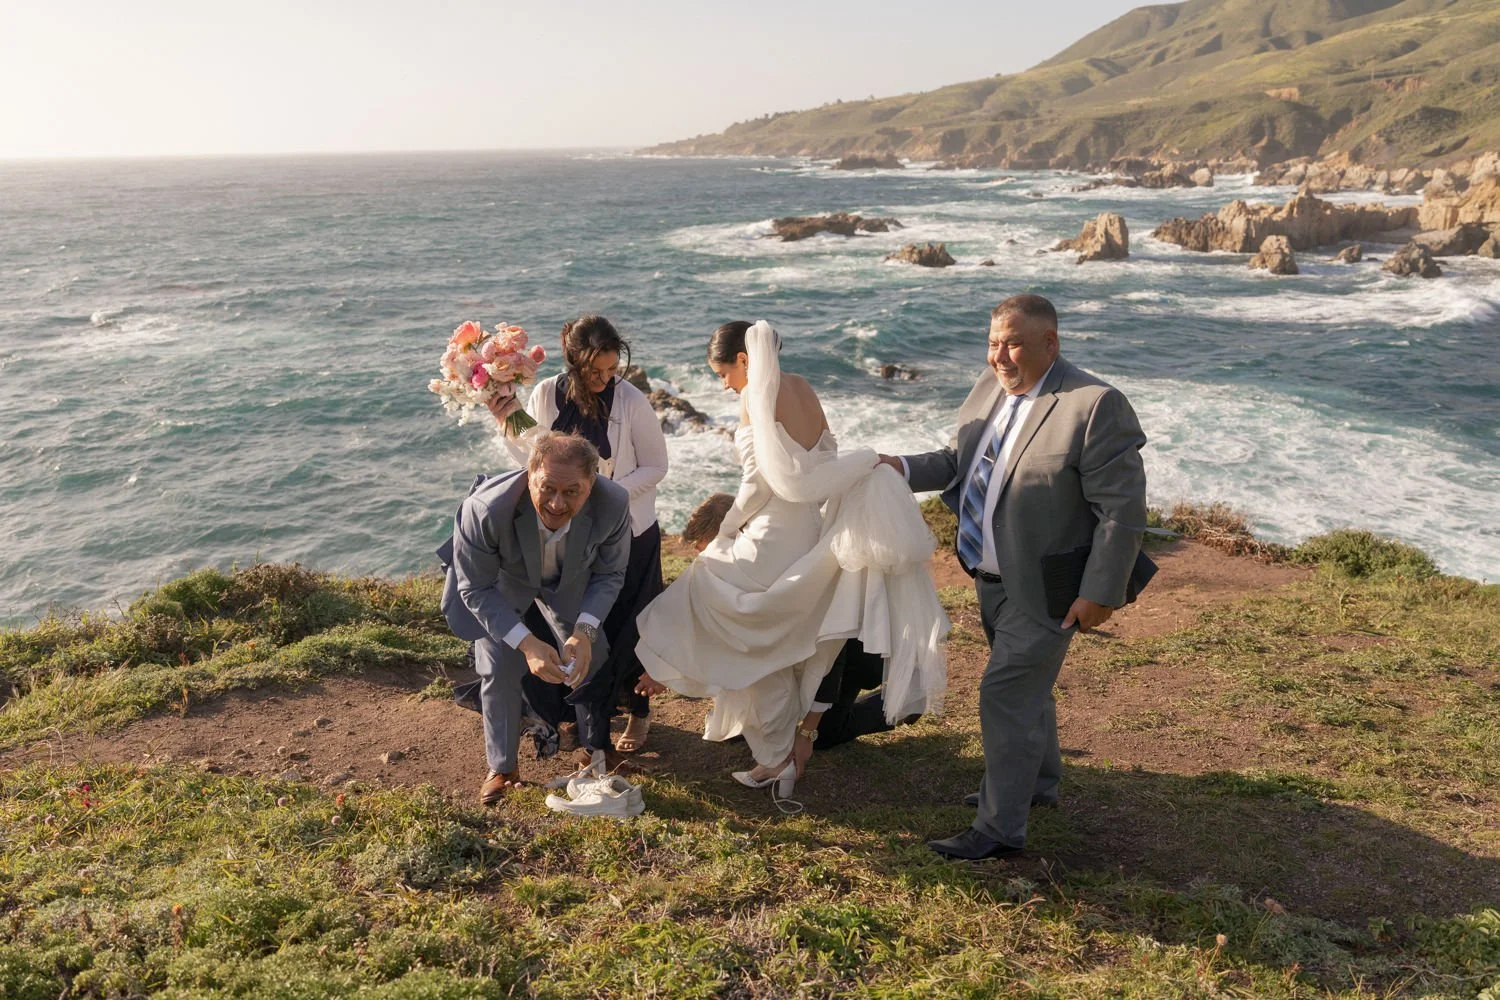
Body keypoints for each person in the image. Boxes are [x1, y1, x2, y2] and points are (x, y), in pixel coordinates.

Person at [635, 321, 949, 807]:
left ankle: (769, 748)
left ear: (744, 359)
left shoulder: (754, 396)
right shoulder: (804, 388)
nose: (725, 386)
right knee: (775, 640)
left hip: (770, 536)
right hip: (809, 534)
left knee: (726, 611)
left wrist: (727, 530)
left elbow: (756, 484)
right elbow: (825, 461)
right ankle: (774, 745)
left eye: (723, 374)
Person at [881, 293, 1148, 860]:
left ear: (1050, 343)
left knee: (1005, 694)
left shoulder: (1094, 405)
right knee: (1028, 692)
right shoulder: (990, 387)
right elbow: (957, 460)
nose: (999, 356)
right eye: (993, 343)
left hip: (1050, 587)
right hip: (990, 578)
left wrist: (1100, 593)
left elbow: (1121, 512)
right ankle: (1039, 784)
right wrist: (895, 467)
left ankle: (999, 829)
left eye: (1014, 344)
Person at [493, 315, 669, 761]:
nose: (605, 380)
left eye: (612, 370)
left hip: (628, 532)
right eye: (595, 371)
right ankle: (585, 714)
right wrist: (505, 419)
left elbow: (656, 466)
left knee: (629, 628)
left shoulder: (631, 401)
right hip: (568, 534)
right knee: (576, 626)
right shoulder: (546, 393)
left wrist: (603, 495)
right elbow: (535, 455)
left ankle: (637, 712)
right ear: (573, 361)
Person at [440, 431, 631, 805]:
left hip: (569, 580)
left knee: (593, 653)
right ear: (529, 475)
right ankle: (502, 768)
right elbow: (475, 587)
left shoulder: (614, 502)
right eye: (547, 489)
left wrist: (583, 632)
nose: (557, 503)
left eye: (572, 491)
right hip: (502, 582)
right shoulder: (485, 509)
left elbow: (610, 574)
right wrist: (527, 644)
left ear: (592, 483)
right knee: (499, 666)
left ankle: (595, 749)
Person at [679, 491, 914, 762]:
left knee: (824, 734)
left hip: (850, 651)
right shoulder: (737, 571)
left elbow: (831, 653)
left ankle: (905, 701)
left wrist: (807, 732)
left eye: (713, 551)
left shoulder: (793, 571)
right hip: (805, 655)